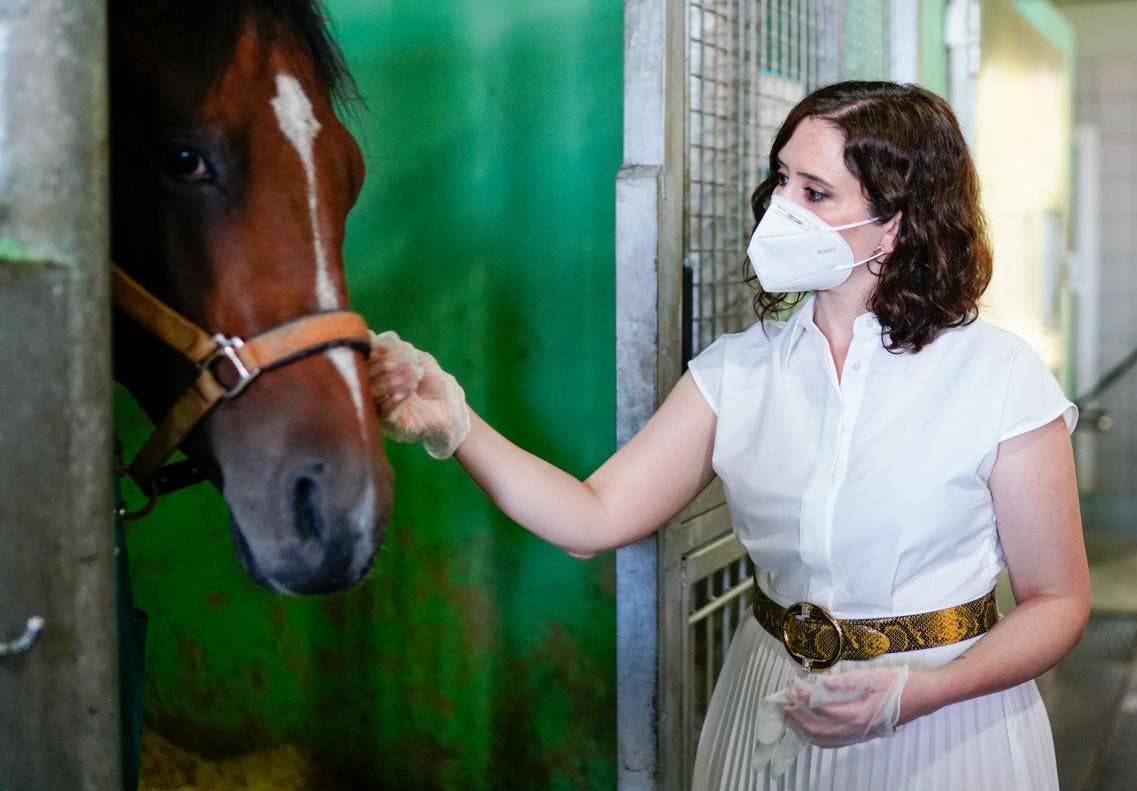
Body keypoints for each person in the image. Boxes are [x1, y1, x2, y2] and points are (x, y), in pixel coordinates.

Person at [367, 80, 1090, 790]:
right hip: (771, 710)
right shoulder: (738, 370)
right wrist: (457, 420)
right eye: (781, 180)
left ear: (895, 225)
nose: (780, 207)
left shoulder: (998, 377)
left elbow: (1058, 598)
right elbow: (591, 516)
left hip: (948, 728)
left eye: (815, 192)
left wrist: (920, 694)